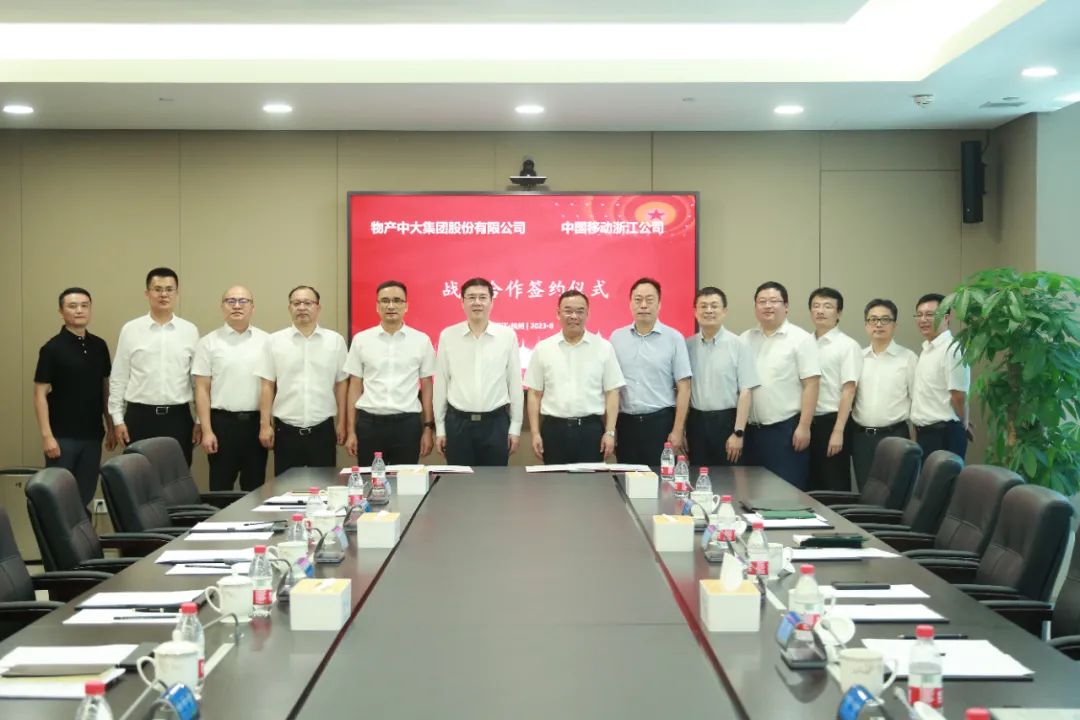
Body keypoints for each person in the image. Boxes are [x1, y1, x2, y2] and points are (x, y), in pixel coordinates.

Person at [33, 287, 115, 510]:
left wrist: (110, 425)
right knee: (59, 497)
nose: (79, 310)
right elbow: (39, 395)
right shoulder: (52, 348)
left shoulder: (99, 346)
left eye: (84, 305)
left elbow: (104, 388)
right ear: (61, 311)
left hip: (92, 435)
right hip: (62, 438)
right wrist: (47, 436)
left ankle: (80, 532)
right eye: (72, 306)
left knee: (84, 495)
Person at [109, 267, 200, 466]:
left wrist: (200, 420)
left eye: (169, 289)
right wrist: (117, 419)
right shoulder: (131, 330)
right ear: (147, 293)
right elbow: (119, 377)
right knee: (138, 476)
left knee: (176, 476)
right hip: (139, 417)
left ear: (177, 293)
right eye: (157, 289)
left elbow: (196, 382)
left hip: (178, 418)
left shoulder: (189, 331)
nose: (163, 294)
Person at [525, 290, 625, 464]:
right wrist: (535, 433)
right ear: (558, 313)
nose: (573, 316)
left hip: (590, 431)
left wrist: (610, 432)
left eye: (579, 311)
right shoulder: (543, 348)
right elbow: (534, 393)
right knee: (554, 480)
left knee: (591, 480)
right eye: (568, 310)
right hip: (554, 430)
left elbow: (612, 392)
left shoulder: (603, 347)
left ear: (587, 314)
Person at [256, 285, 347, 476]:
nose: (302, 307)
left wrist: (342, 422)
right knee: (285, 488)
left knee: (324, 485)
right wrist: (265, 425)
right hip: (286, 431)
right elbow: (267, 385)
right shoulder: (274, 341)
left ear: (318, 307)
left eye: (308, 303)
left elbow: (341, 384)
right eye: (296, 303)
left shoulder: (335, 341)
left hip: (322, 429)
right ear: (289, 307)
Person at [344, 280, 436, 466]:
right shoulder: (362, 340)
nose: (391, 306)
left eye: (397, 300)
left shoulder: (421, 340)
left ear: (406, 306)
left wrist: (427, 428)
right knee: (370, 480)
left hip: (407, 425)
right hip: (370, 425)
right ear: (377, 306)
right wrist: (351, 430)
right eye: (385, 301)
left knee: (405, 481)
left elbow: (427, 386)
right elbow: (354, 386)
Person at [433, 278, 523, 466]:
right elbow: (441, 383)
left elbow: (514, 384)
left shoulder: (507, 336)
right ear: (462, 302)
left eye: (482, 297)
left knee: (495, 481)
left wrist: (515, 427)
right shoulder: (448, 336)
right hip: (458, 423)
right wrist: (440, 428)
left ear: (491, 302)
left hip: (496, 423)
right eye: (471, 297)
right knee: (459, 481)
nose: (477, 302)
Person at [741, 281, 821, 490]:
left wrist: (804, 427)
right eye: (762, 301)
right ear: (755, 307)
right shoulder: (745, 339)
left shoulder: (801, 339)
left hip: (785, 431)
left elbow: (811, 385)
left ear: (786, 306)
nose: (768, 306)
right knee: (751, 493)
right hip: (751, 433)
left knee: (786, 493)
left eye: (774, 301)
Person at [192, 286, 269, 491]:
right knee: (220, 488)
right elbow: (201, 389)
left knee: (255, 489)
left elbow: (272, 386)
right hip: (221, 425)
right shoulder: (208, 342)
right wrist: (207, 431)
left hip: (256, 425)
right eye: (230, 301)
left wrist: (267, 425)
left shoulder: (267, 341)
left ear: (252, 307)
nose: (237, 306)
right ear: (222, 306)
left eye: (243, 301)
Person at [610, 278, 692, 466]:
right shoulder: (616, 338)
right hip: (625, 424)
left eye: (649, 300)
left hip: (660, 423)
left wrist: (678, 430)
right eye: (638, 300)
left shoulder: (674, 338)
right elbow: (611, 387)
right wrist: (611, 429)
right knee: (627, 478)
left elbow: (684, 388)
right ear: (630, 304)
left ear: (659, 304)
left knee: (661, 479)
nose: (643, 305)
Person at [684, 286, 758, 467]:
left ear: (724, 311)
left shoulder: (739, 345)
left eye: (714, 306)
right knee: (697, 476)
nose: (709, 310)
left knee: (729, 478)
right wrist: (682, 430)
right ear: (695, 312)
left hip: (727, 423)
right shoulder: (687, 345)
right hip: (696, 422)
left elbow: (746, 391)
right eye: (703, 306)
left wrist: (738, 432)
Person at [850, 298, 917, 489]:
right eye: (873, 319)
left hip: (896, 436)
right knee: (865, 491)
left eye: (885, 319)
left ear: (894, 325)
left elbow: (916, 401)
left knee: (895, 492)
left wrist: (914, 441)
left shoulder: (908, 358)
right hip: (862, 438)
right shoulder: (857, 357)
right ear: (866, 325)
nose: (878, 324)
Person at [806, 287, 862, 491]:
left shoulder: (847, 345)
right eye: (816, 306)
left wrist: (838, 431)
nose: (820, 311)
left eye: (828, 306)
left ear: (839, 313)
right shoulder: (804, 343)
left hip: (832, 422)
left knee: (833, 483)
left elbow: (849, 390)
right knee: (809, 485)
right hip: (805, 422)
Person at [910, 293, 971, 458]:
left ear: (946, 317)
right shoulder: (927, 349)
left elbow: (958, 395)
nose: (923, 319)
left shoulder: (953, 349)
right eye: (919, 315)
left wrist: (962, 423)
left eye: (930, 314)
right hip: (926, 434)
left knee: (943, 476)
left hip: (944, 434)